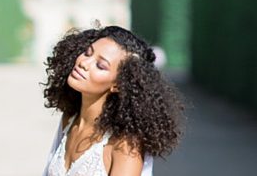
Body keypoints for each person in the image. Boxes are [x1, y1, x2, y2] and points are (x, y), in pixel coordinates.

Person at [41, 25, 184, 176]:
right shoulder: (69, 120)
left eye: (100, 66)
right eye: (87, 53)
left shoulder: (125, 147)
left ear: (118, 85)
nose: (84, 63)